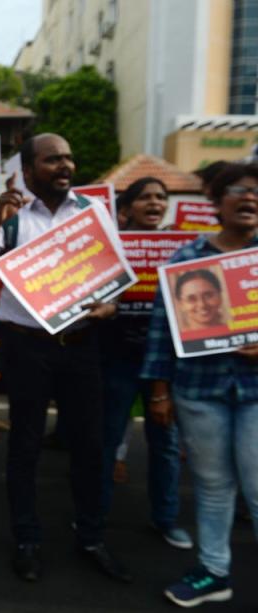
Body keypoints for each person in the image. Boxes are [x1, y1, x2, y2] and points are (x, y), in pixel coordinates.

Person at [0, 133, 131, 583]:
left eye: (69, 158)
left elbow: (113, 285)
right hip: (27, 348)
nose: (65, 166)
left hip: (81, 347)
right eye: (53, 159)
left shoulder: (93, 215)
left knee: (90, 447)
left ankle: (92, 536)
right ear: (29, 169)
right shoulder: (12, 220)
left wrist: (107, 307)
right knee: (26, 446)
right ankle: (27, 539)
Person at [141, 163, 258, 607]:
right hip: (200, 390)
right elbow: (161, 332)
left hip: (254, 392)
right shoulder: (186, 259)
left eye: (256, 191)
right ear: (216, 201)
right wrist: (158, 392)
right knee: (212, 485)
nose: (249, 197)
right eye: (238, 190)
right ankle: (213, 571)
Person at [99, 178, 190, 551]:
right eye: (147, 197)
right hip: (117, 358)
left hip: (165, 366)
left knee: (165, 443)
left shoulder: (184, 250)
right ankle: (94, 516)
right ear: (128, 208)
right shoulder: (110, 246)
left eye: (161, 198)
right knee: (106, 440)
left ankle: (165, 518)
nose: (155, 203)